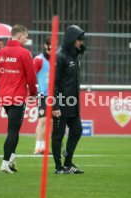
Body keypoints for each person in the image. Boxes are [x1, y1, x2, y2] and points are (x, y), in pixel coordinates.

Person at [0, 24, 37, 174]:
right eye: (26, 37)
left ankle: (11, 160)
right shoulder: (25, 53)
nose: (26, 39)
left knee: (14, 129)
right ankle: (5, 163)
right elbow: (31, 77)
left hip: (4, 97)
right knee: (13, 130)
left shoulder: (0, 53)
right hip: (18, 97)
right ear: (19, 36)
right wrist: (33, 93)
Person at [52, 25, 86, 174]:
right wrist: (55, 106)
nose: (81, 43)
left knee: (77, 130)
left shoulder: (73, 56)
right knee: (58, 136)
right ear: (72, 40)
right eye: (79, 40)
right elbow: (54, 84)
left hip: (73, 104)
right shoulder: (59, 57)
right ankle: (58, 167)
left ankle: (68, 163)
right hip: (61, 104)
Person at [33, 37, 51, 155]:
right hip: (42, 94)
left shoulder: (55, 60)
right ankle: (37, 147)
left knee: (48, 122)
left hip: (53, 95)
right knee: (42, 120)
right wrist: (34, 91)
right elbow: (31, 75)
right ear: (46, 45)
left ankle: (44, 148)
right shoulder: (39, 59)